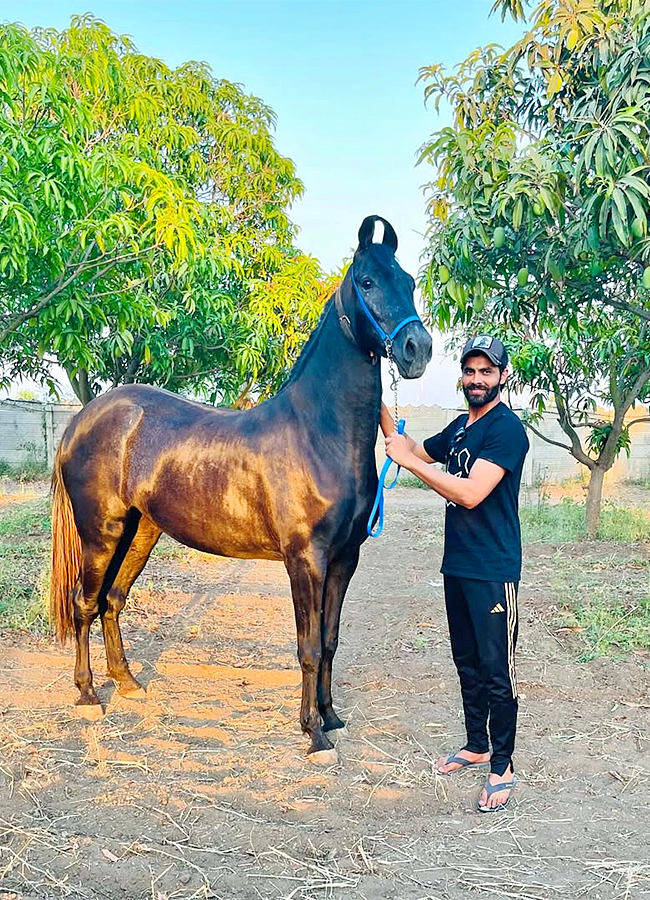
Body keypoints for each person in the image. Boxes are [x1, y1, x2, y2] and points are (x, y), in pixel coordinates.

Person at [381, 334, 529, 812]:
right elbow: (411, 449)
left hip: (493, 567)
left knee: (495, 669)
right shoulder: (460, 429)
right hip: (458, 564)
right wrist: (377, 399)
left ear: (502, 377)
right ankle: (476, 744)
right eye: (470, 371)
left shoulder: (507, 431)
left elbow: (469, 493)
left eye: (487, 371)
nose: (477, 379)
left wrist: (408, 463)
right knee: (466, 661)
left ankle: (502, 766)